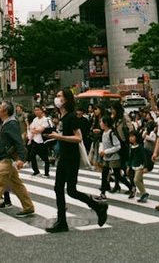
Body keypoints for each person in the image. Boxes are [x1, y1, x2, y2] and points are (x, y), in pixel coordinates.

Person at [45, 89, 108, 232]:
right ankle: (62, 222)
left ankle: (98, 206)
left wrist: (59, 137)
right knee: (58, 188)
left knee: (71, 190)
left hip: (71, 158)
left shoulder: (71, 117)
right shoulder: (62, 117)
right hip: (64, 156)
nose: (57, 98)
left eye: (59, 96)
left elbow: (78, 137)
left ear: (66, 99)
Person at [96, 115, 133, 200]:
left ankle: (131, 187)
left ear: (105, 123)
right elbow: (102, 143)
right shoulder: (103, 133)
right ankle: (103, 194)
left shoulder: (111, 133)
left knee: (117, 175)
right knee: (104, 174)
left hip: (114, 157)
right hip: (106, 157)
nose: (100, 124)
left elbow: (117, 146)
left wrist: (105, 151)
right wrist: (101, 151)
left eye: (101, 122)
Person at [28, 105, 52, 176]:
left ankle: (46, 173)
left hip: (43, 141)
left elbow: (41, 130)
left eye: (38, 110)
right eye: (35, 110)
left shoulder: (45, 119)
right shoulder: (35, 119)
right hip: (36, 141)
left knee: (45, 158)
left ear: (42, 111)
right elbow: (31, 128)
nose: (37, 112)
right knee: (32, 156)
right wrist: (31, 138)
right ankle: (36, 171)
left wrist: (35, 130)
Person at [127, 130, 150, 203]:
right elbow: (130, 157)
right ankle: (143, 195)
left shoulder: (140, 147)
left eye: (132, 136)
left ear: (137, 137)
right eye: (130, 136)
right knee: (140, 181)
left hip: (140, 166)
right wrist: (128, 166)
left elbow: (144, 157)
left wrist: (146, 167)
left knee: (136, 180)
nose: (130, 138)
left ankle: (144, 194)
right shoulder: (132, 147)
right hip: (134, 166)